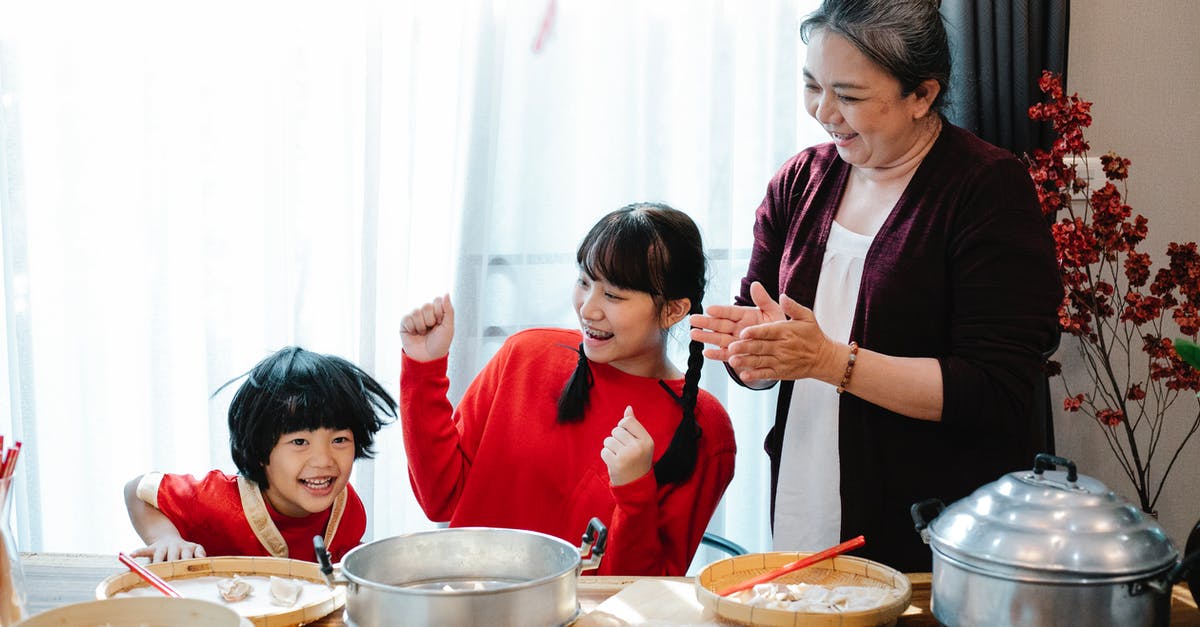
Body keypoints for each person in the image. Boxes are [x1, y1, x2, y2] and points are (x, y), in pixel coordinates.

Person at [689, 0, 1060, 572]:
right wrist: (756, 353)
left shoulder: (985, 189)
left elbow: (995, 389)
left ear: (923, 96)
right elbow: (759, 315)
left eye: (851, 95)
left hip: (934, 521)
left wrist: (830, 362)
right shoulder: (801, 179)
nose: (824, 112)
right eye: (812, 85)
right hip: (804, 487)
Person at [400, 203, 737, 576]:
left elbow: (644, 592)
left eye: (614, 295)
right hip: (471, 604)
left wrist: (635, 491)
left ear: (673, 311)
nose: (588, 309)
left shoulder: (706, 429)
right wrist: (423, 370)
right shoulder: (524, 356)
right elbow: (440, 499)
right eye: (584, 282)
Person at [124, 346, 396, 563]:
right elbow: (137, 489)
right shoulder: (218, 500)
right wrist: (165, 538)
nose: (324, 460)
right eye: (300, 441)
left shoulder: (348, 510)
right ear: (260, 450)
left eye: (339, 440)